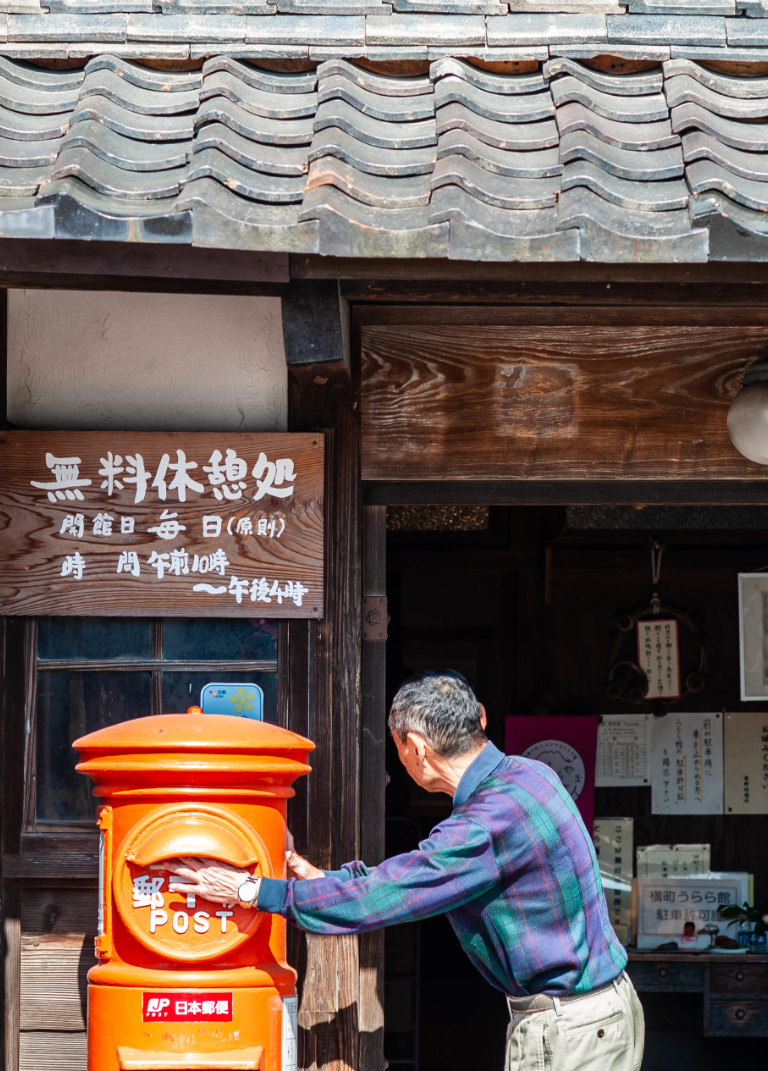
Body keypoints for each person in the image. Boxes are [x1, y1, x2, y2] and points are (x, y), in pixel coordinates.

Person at [161, 670, 644, 1071]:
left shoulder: (484, 825)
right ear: (480, 718)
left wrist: (251, 890)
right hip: (605, 1010)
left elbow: (391, 893)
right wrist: (324, 881)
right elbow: (409, 875)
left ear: (414, 747)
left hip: (571, 1026)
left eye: (396, 748)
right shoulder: (530, 774)